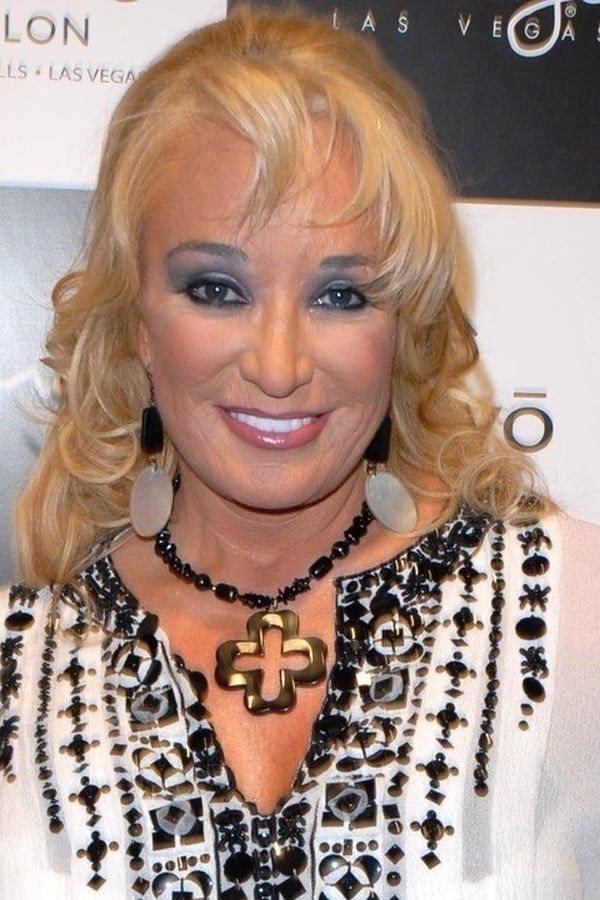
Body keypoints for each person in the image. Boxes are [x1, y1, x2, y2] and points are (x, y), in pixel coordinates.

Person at [1, 5, 598, 898]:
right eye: (217, 288)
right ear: (137, 323)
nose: (278, 367)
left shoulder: (573, 616)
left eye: (341, 297)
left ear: (402, 326)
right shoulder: (20, 665)